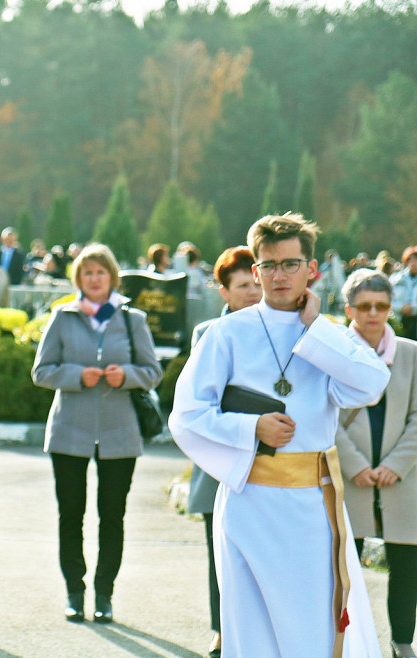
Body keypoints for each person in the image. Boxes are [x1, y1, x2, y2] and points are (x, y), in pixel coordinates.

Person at [170, 213, 390, 658]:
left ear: (312, 269)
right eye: (269, 265)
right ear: (255, 271)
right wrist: (250, 426)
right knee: (251, 632)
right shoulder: (226, 334)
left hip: (312, 507)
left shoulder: (326, 335)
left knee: (314, 630)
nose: (279, 275)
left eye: (291, 264)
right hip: (249, 499)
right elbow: (186, 415)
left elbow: (370, 385)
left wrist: (315, 328)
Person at [31, 243, 163, 625]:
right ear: (78, 279)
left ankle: (104, 593)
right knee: (71, 514)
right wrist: (75, 376)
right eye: (87, 273)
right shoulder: (62, 317)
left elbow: (152, 371)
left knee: (112, 515)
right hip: (69, 430)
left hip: (120, 432)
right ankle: (75, 591)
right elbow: (42, 372)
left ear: (111, 277)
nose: (94, 279)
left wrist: (128, 376)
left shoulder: (132, 319)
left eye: (100, 273)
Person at [335, 269, 417, 658]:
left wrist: (396, 465)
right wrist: (355, 465)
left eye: (381, 306)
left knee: (406, 569)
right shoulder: (334, 349)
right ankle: (343, 640)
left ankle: (402, 643)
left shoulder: (410, 352)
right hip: (350, 477)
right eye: (364, 306)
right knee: (344, 570)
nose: (373, 313)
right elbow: (324, 415)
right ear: (349, 308)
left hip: (401, 479)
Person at [185, 246, 262, 658]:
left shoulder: (277, 331)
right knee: (219, 550)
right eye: (243, 286)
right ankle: (220, 630)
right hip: (219, 454)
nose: (252, 292)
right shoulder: (208, 333)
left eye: (256, 283)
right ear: (224, 292)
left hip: (268, 455)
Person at [391, 246, 417, 339]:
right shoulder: (396, 279)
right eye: (411, 260)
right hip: (399, 321)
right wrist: (401, 307)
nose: (414, 263)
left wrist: (413, 308)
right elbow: (389, 300)